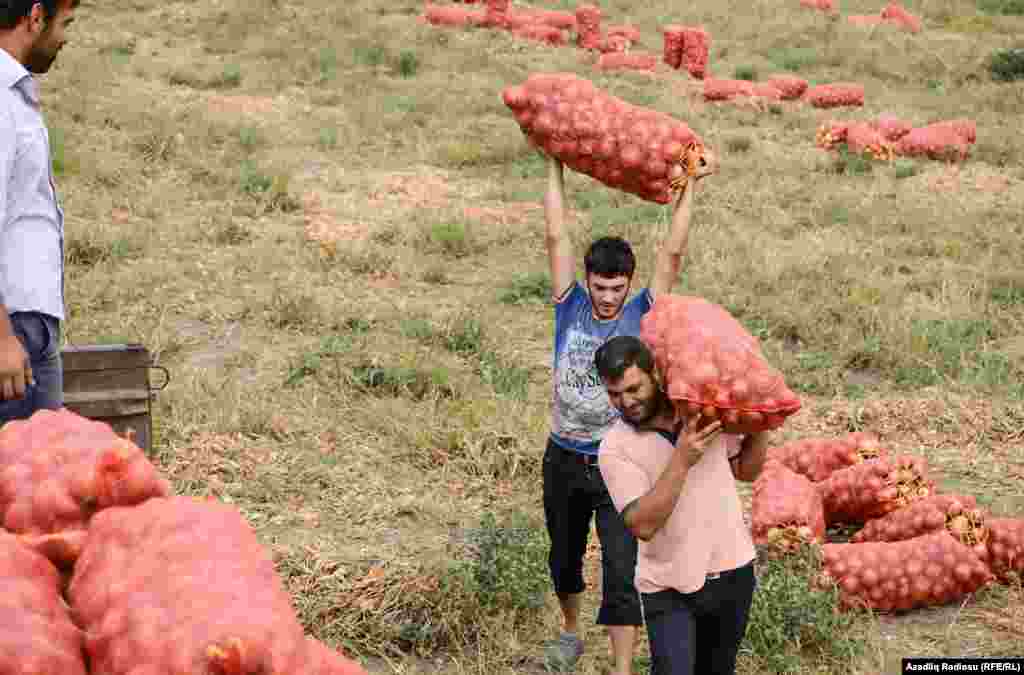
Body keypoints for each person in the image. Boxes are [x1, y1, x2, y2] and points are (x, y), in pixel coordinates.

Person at [540, 149, 712, 675]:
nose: (609, 297)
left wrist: (691, 188)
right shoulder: (569, 302)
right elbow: (555, 237)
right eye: (601, 286)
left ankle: (620, 669)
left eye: (618, 287)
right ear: (588, 281)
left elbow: (672, 256)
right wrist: (553, 162)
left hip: (620, 461)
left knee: (621, 567)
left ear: (629, 284)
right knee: (564, 557)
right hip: (564, 455)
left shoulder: (641, 312)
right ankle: (570, 631)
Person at [593, 334, 771, 675]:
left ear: (654, 376)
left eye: (634, 389)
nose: (626, 402)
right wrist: (682, 459)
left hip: (733, 571)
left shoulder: (701, 409)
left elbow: (746, 471)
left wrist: (761, 426)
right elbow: (642, 525)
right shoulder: (616, 448)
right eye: (614, 394)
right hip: (668, 586)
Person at [0, 0, 78, 425]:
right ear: (34, 17)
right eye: (65, 24)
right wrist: (3, 338)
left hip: (24, 324)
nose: (65, 38)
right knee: (29, 483)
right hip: (14, 326)